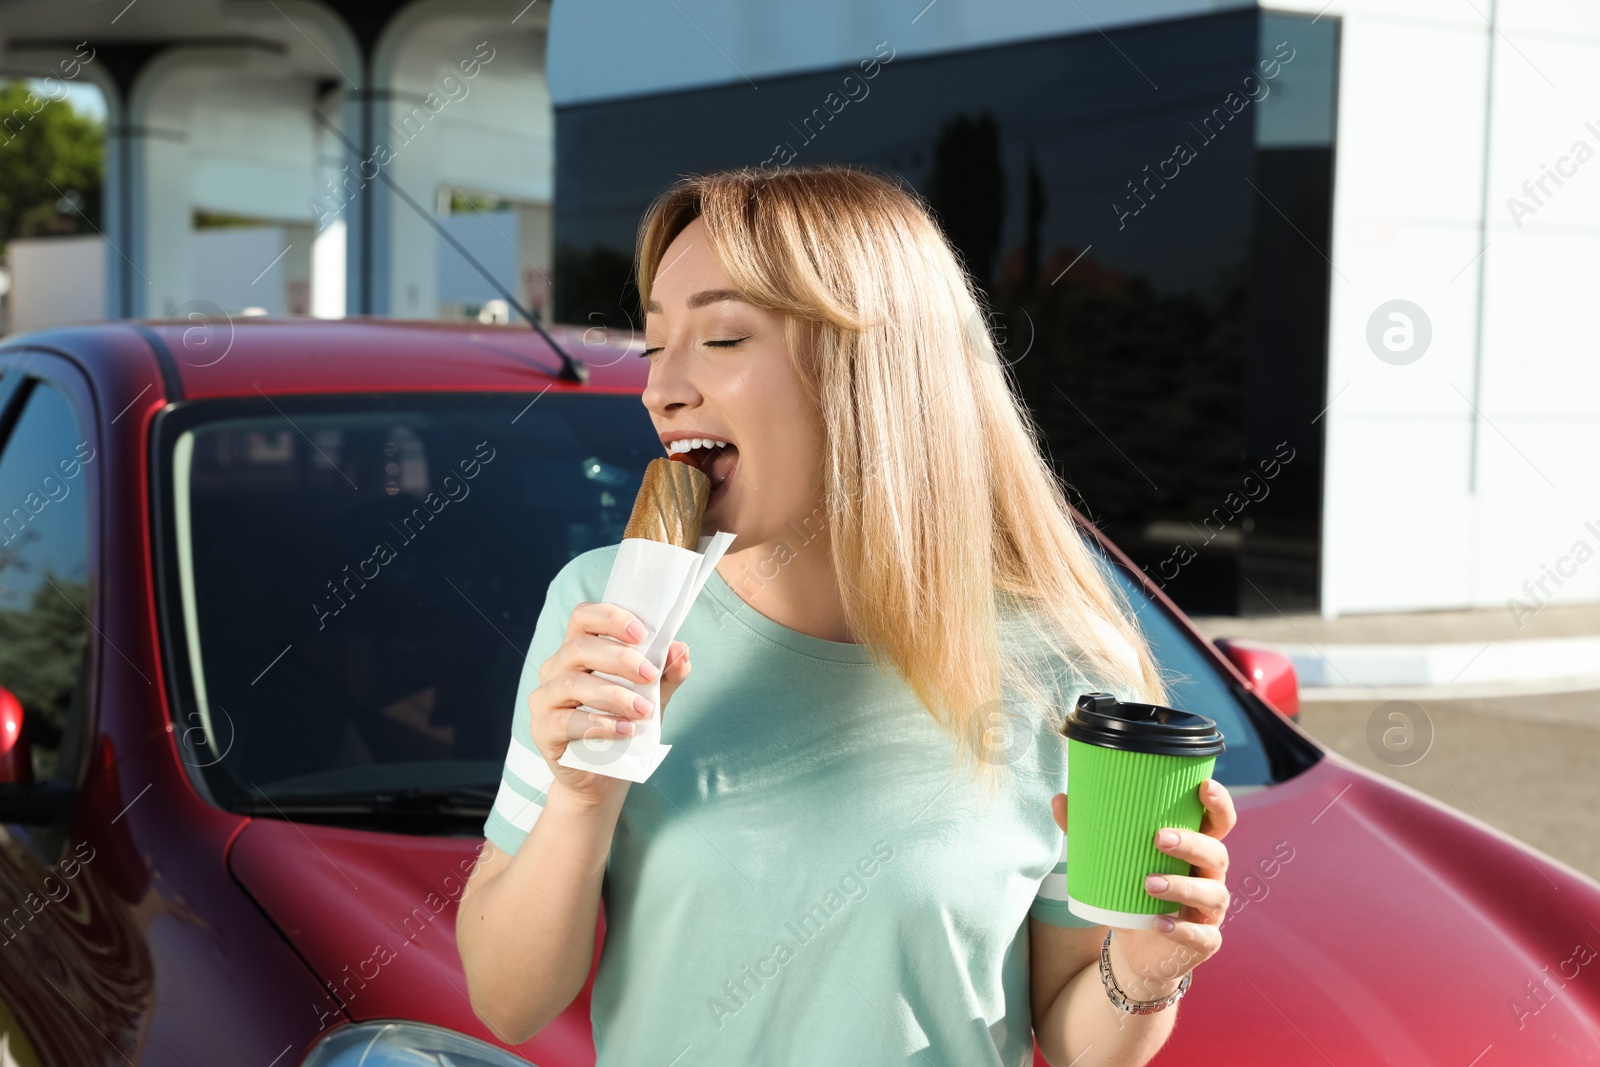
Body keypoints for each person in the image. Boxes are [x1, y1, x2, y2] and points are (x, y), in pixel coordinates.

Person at [456, 164, 1236, 1066]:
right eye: (653, 345)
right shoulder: (599, 610)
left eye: (721, 338)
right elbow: (508, 1002)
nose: (657, 389)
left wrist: (1144, 968)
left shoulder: (1065, 667)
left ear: (874, 368)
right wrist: (584, 793)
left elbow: (1075, 1042)